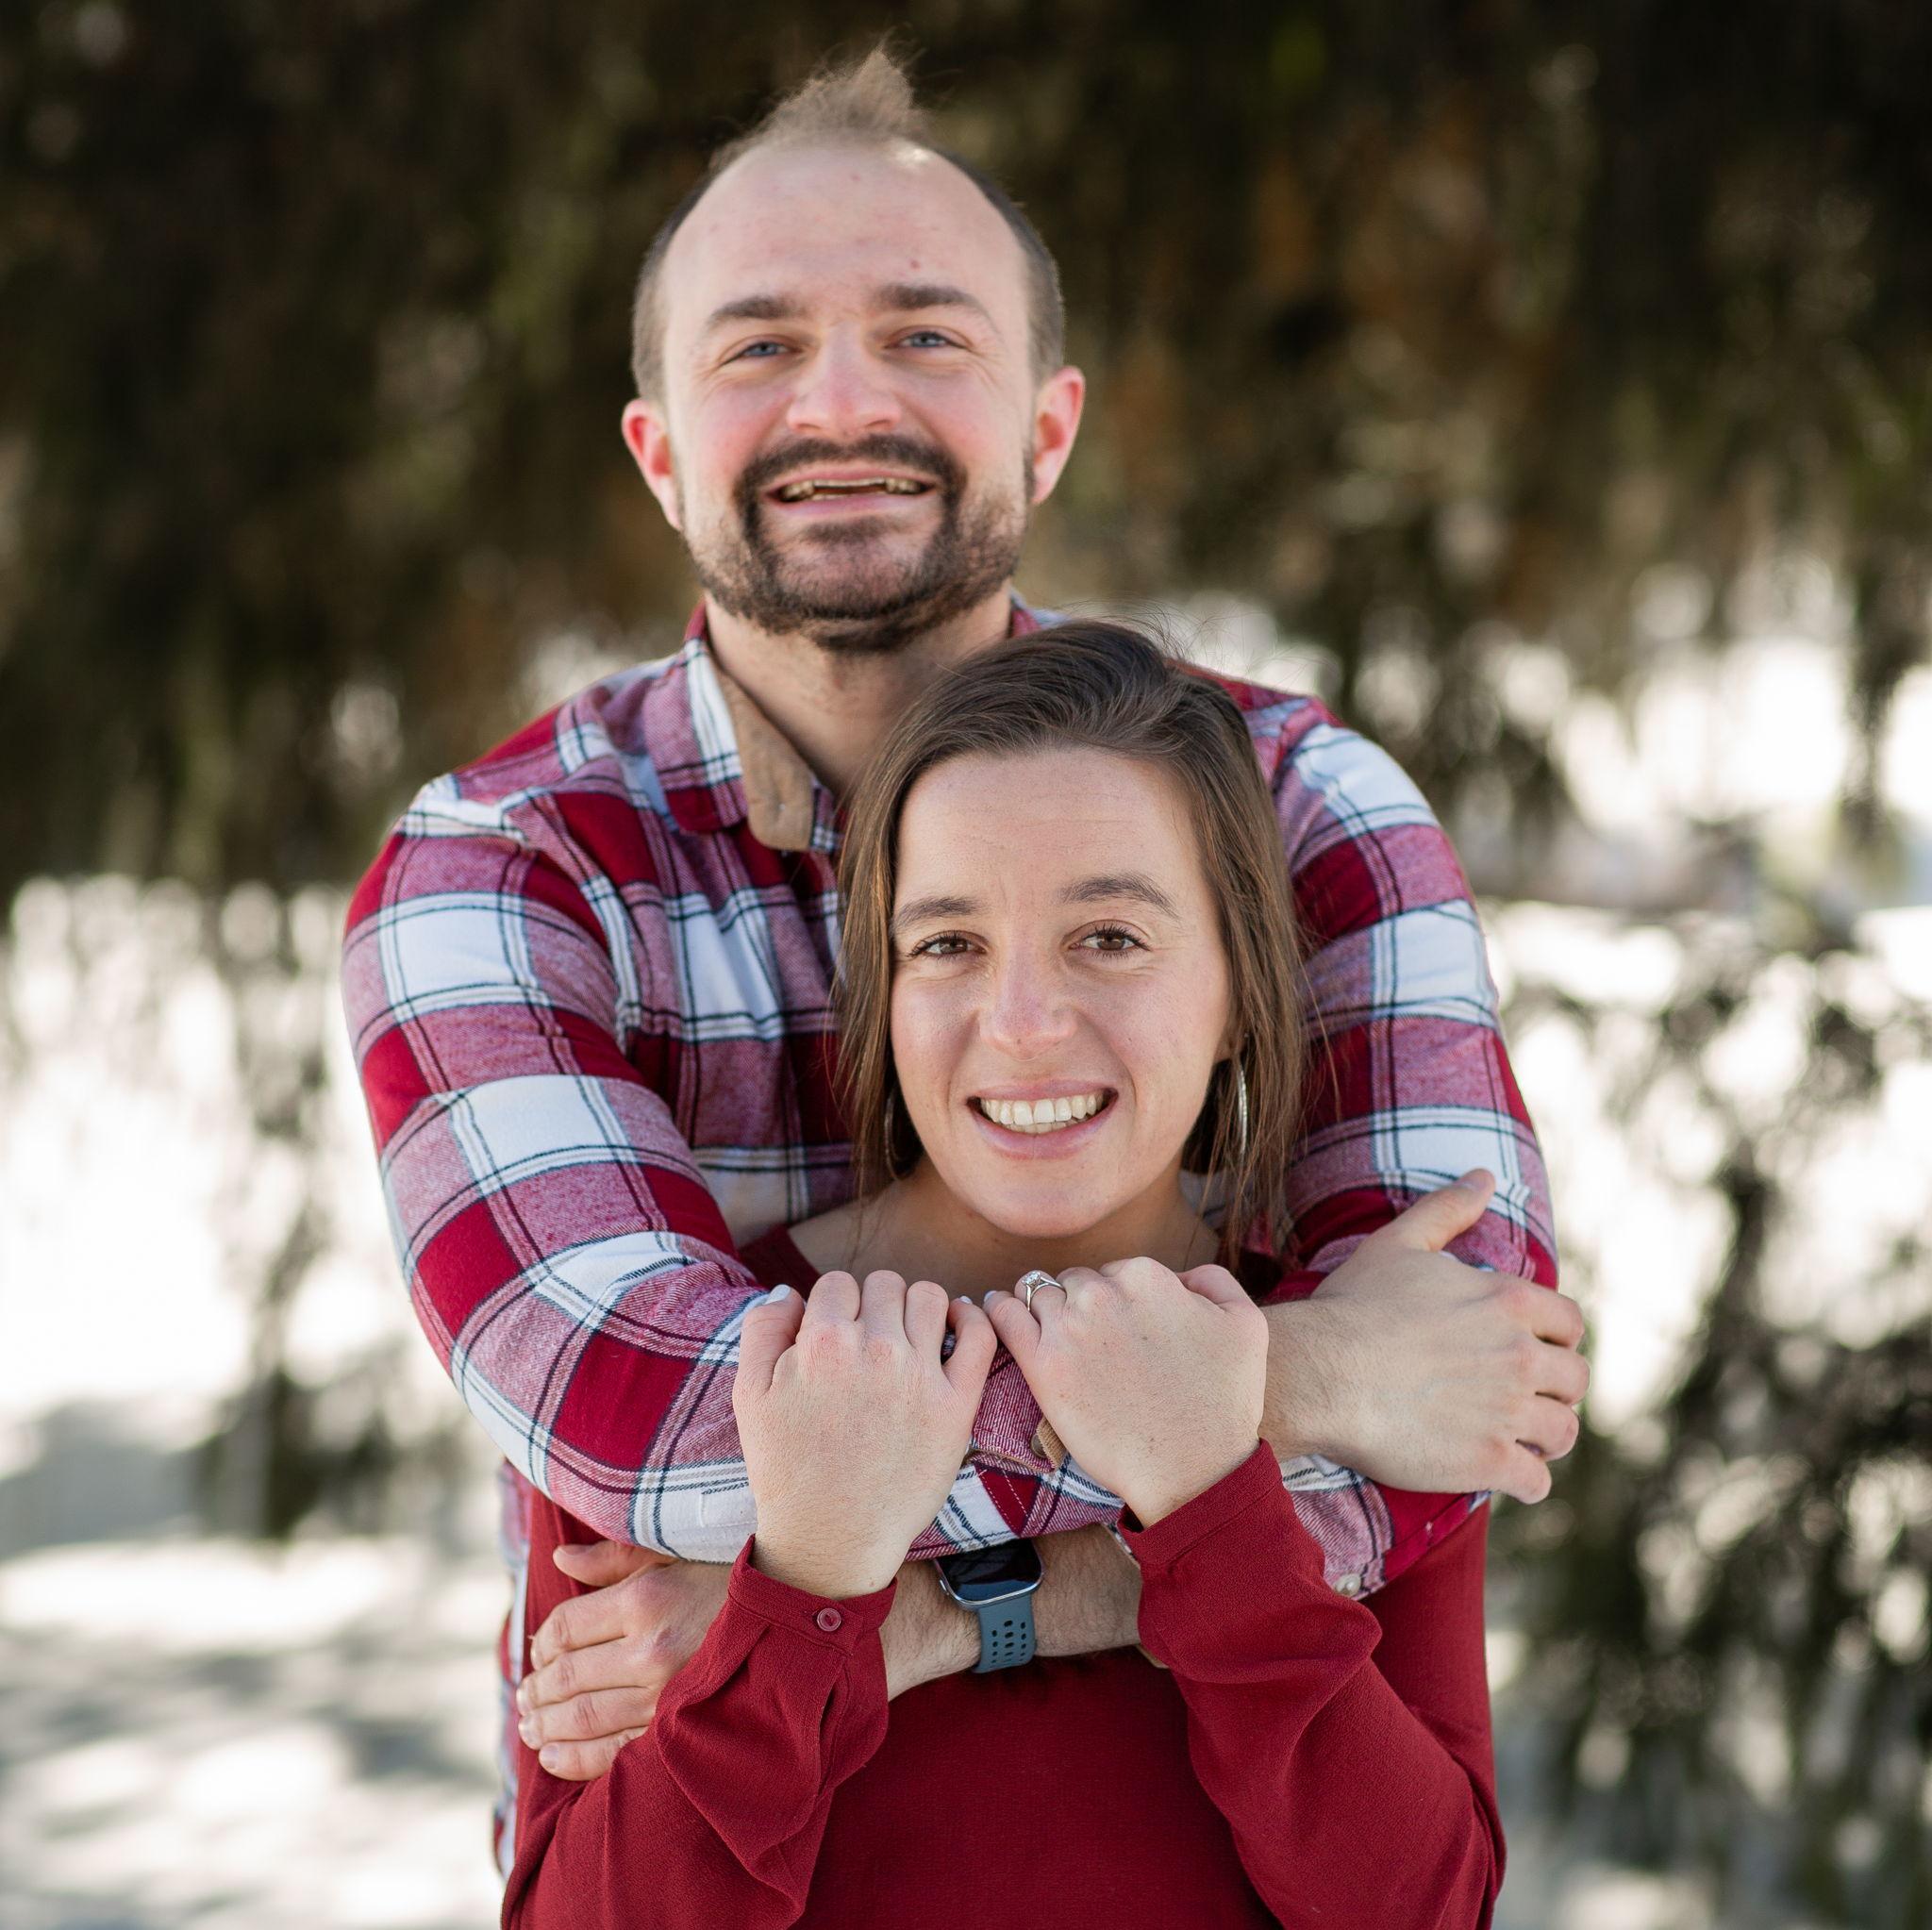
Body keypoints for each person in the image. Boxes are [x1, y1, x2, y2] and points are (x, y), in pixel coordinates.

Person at [340, 48, 1580, 1865]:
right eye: (759, 346)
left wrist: (888, 1614)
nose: (843, 401)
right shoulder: (508, 874)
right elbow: (651, 1435)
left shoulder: (1298, 805)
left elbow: (1468, 1391)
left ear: (1048, 427)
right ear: (660, 455)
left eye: (925, 334)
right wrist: (1295, 1381)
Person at [504, 624, 1513, 1928]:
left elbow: (1428, 1906)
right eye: (948, 945)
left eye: (1110, 935)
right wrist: (807, 1582)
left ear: (1239, 993)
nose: (1024, 1023)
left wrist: (1214, 1503)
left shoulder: (1373, 1357)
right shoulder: (699, 1372)